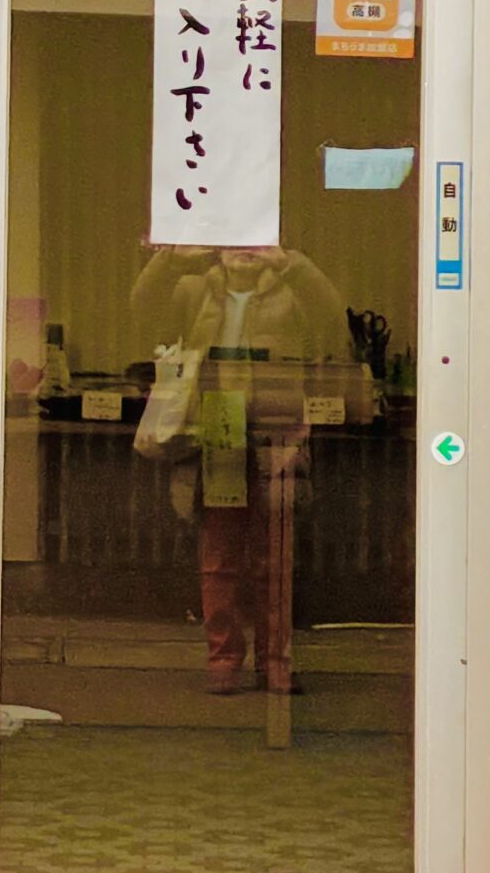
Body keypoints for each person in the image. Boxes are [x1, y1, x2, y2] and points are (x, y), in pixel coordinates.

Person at [129, 244, 348, 695]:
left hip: (277, 431)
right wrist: (172, 255)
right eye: (233, 238)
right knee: (219, 557)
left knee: (276, 559)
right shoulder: (195, 290)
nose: (243, 249)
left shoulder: (291, 292)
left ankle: (276, 663)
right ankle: (223, 660)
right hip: (218, 426)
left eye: (254, 236)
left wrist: (289, 260)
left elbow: (331, 317)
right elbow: (143, 308)